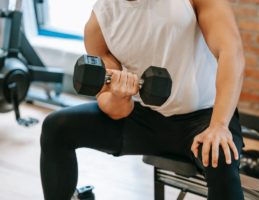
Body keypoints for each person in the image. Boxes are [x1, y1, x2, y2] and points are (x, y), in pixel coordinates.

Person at [40, 0, 245, 199]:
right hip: (146, 118)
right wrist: (120, 95)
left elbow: (231, 52)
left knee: (221, 155)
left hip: (205, 119)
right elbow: (115, 108)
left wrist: (219, 124)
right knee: (57, 127)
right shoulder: (101, 21)